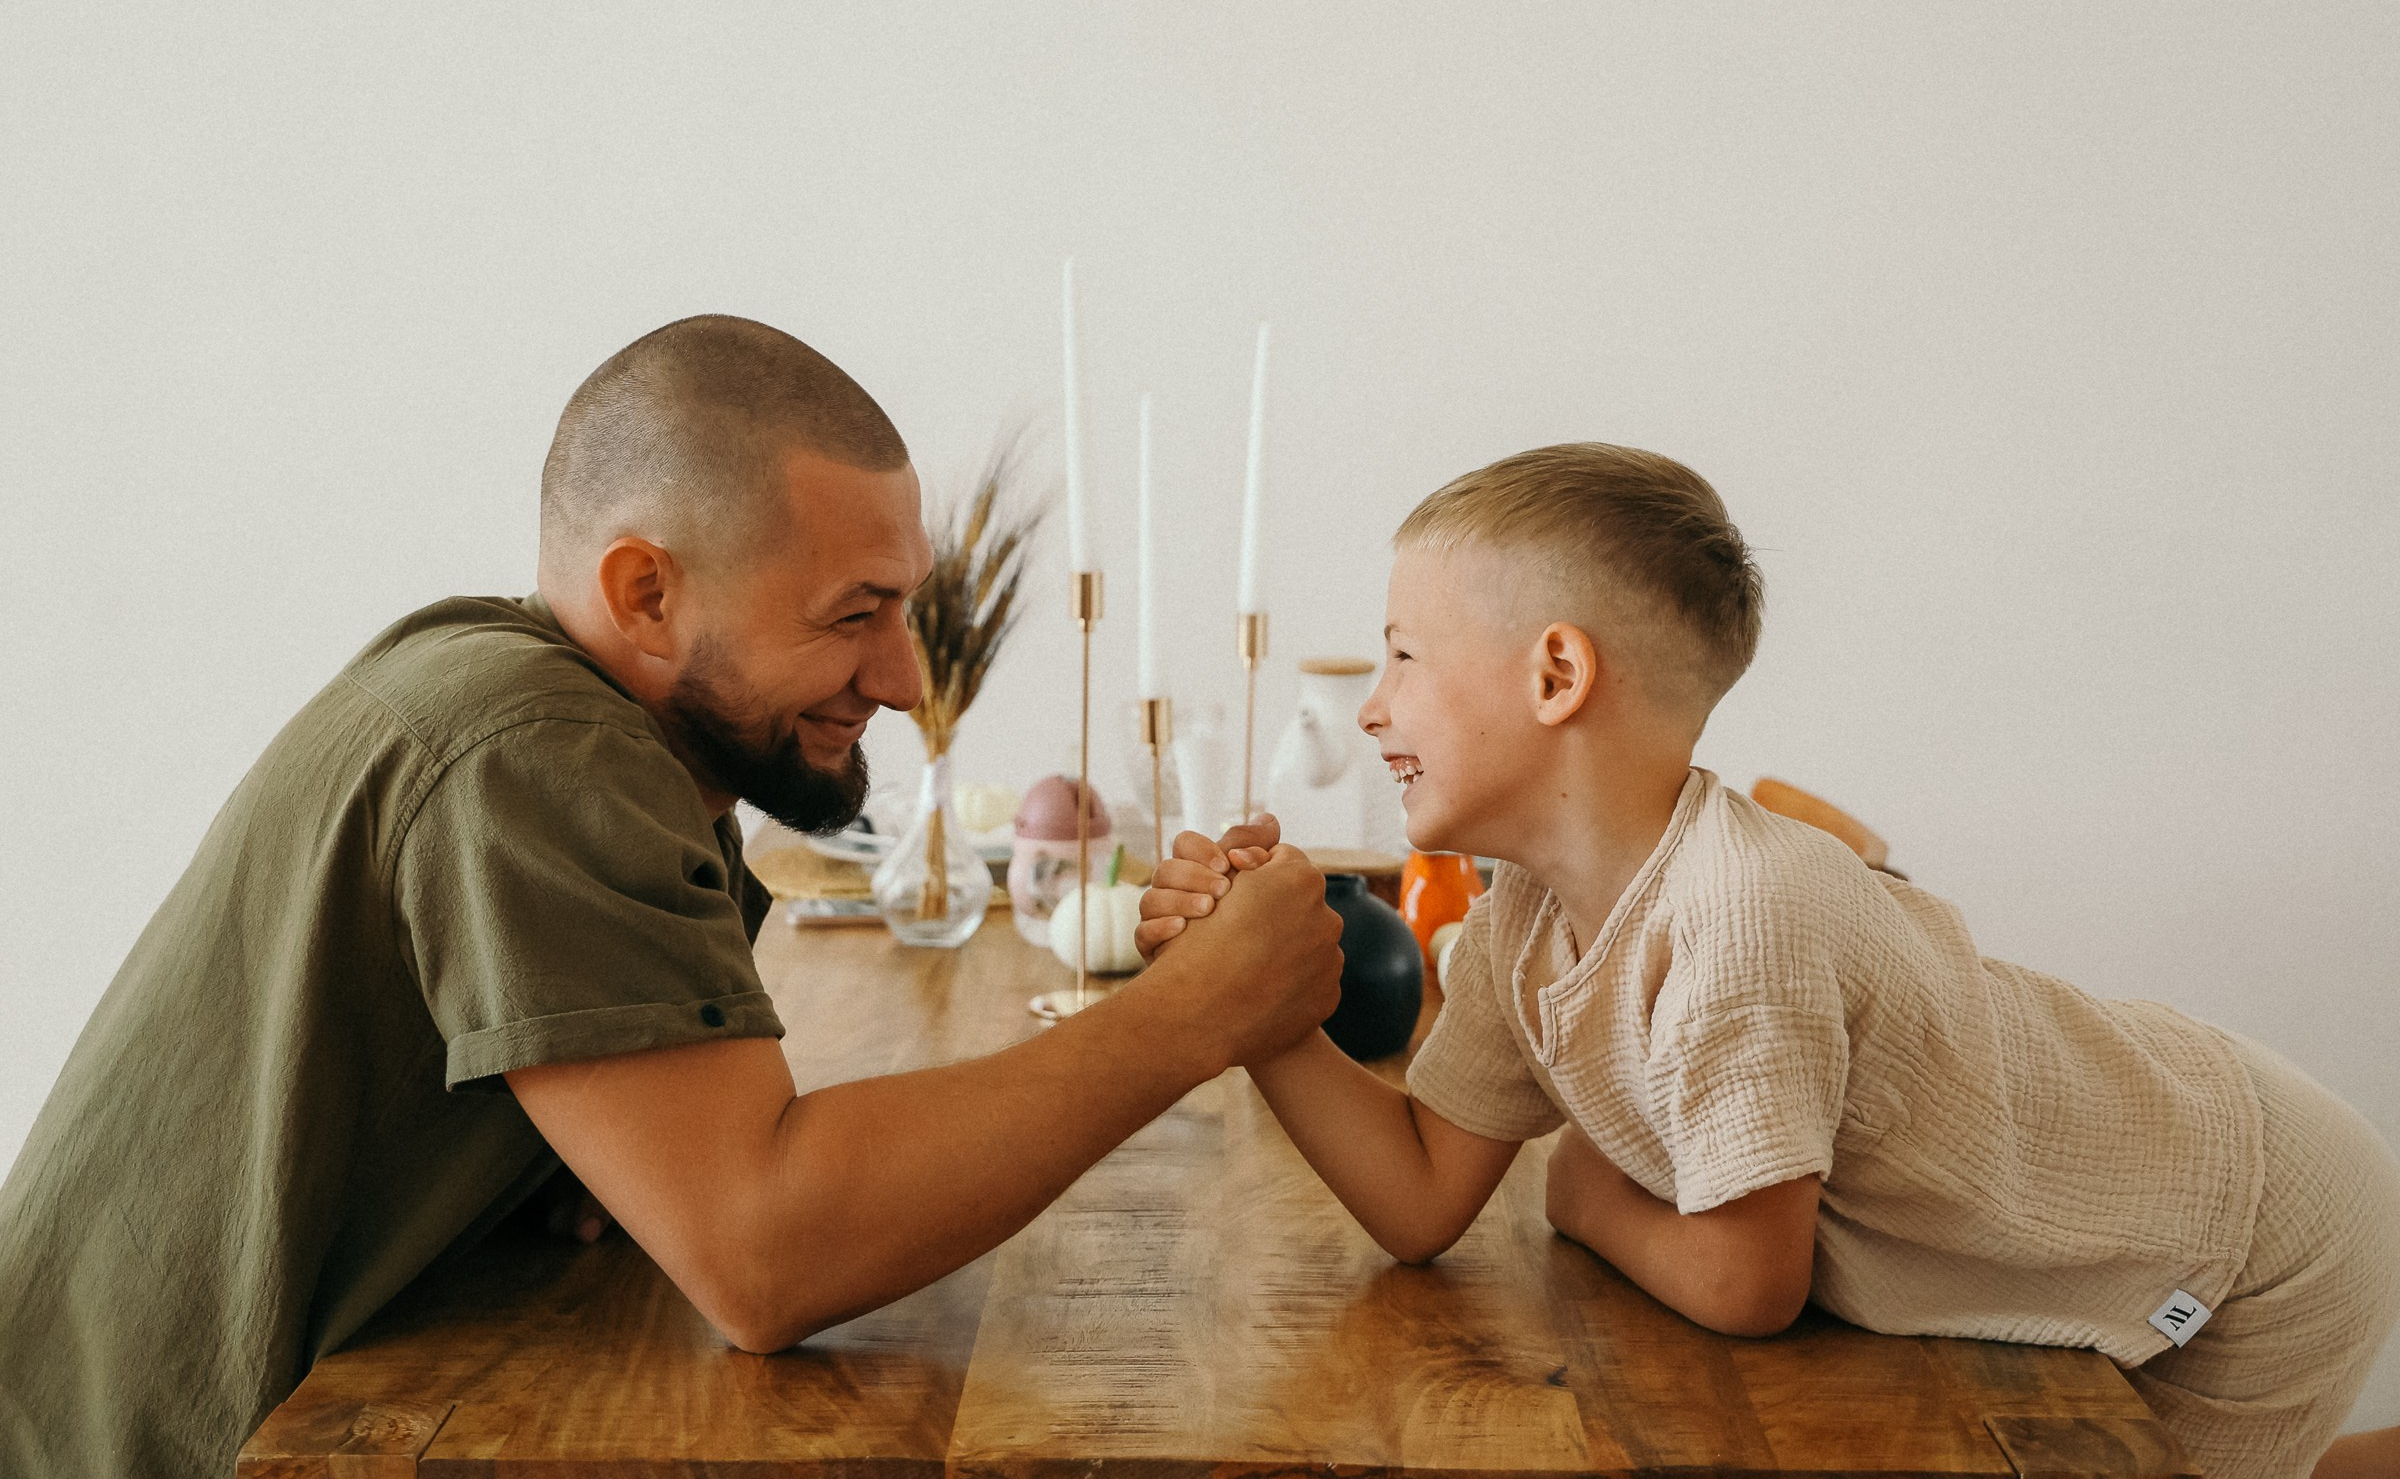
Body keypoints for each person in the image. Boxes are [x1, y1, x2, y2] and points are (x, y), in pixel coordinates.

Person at [0, 315, 1344, 1478]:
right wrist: (1189, 1021)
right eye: (852, 613)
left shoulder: (542, 711)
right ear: (646, 592)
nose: (904, 681)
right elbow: (766, 1259)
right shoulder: (534, 750)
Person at [1138, 442, 2400, 1479]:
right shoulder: (1526, 909)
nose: (1371, 704)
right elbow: (1418, 1201)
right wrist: (1254, 1012)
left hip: (2249, 1232)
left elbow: (1747, 1281)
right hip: (2164, 1183)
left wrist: (1580, 1187)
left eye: (1404, 652)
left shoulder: (1743, 916)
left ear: (1558, 674)